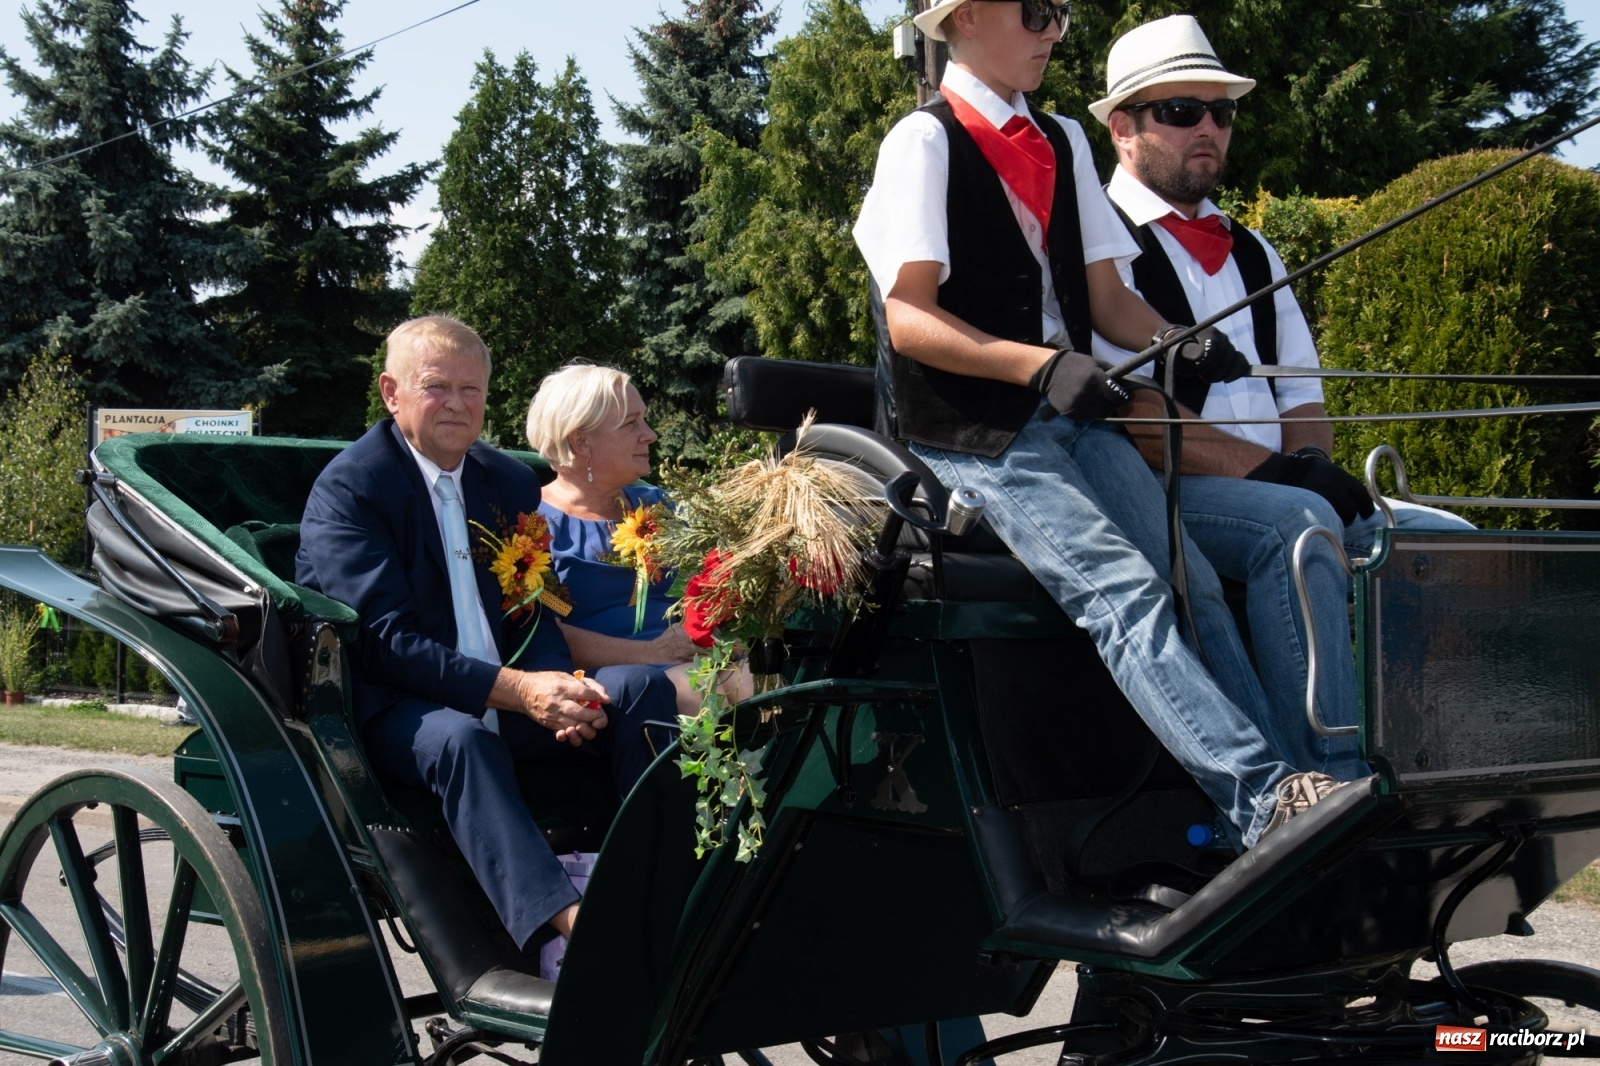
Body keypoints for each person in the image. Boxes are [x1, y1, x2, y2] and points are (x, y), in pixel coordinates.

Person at [854, 0, 1340, 847]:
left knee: (1189, 583)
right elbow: (909, 320)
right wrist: (1039, 365)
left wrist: (1178, 347)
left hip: (1074, 415)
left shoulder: (1065, 141)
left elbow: (1110, 301)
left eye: (1060, 15)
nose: (1053, 32)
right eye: (1035, 12)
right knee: (1124, 594)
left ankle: (1307, 787)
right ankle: (1263, 802)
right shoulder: (923, 143)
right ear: (964, 18)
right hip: (977, 436)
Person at [1088, 15, 1473, 777]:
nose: (1209, 128)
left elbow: (1301, 396)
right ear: (1123, 128)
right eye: (1181, 112)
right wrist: (1285, 481)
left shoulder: (1257, 251)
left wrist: (1307, 462)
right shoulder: (1097, 247)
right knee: (1295, 530)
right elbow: (1130, 418)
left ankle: (1443, 763)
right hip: (1164, 493)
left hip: (1276, 486)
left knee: (1451, 540)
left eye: (1221, 112)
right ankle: (1328, 786)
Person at [296, 315, 676, 954]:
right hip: (401, 708)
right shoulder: (351, 488)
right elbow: (386, 643)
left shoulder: (504, 480)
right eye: (435, 386)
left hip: (518, 689)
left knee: (637, 688)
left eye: (471, 389)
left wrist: (566, 683)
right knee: (461, 739)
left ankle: (663, 882)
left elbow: (535, 604)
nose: (457, 404)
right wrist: (520, 690)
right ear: (392, 394)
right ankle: (574, 926)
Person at [525, 363, 751, 716]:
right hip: (623, 681)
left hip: (697, 661)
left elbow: (713, 580)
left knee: (775, 687)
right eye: (631, 423)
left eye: (643, 420)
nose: (649, 435)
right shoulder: (530, 525)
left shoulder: (660, 506)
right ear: (580, 441)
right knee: (711, 694)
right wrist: (651, 653)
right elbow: (537, 632)